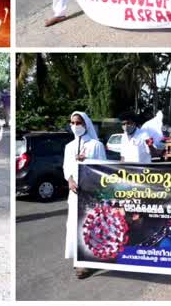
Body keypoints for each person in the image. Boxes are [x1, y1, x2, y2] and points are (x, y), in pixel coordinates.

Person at [63, 111, 107, 279]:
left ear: (85, 124)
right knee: (74, 226)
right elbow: (66, 168)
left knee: (90, 226)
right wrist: (70, 180)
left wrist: (86, 161)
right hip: (75, 194)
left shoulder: (96, 145)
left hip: (91, 194)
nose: (75, 126)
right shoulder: (69, 147)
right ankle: (78, 259)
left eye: (78, 123)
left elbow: (103, 169)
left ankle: (88, 262)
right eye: (72, 122)